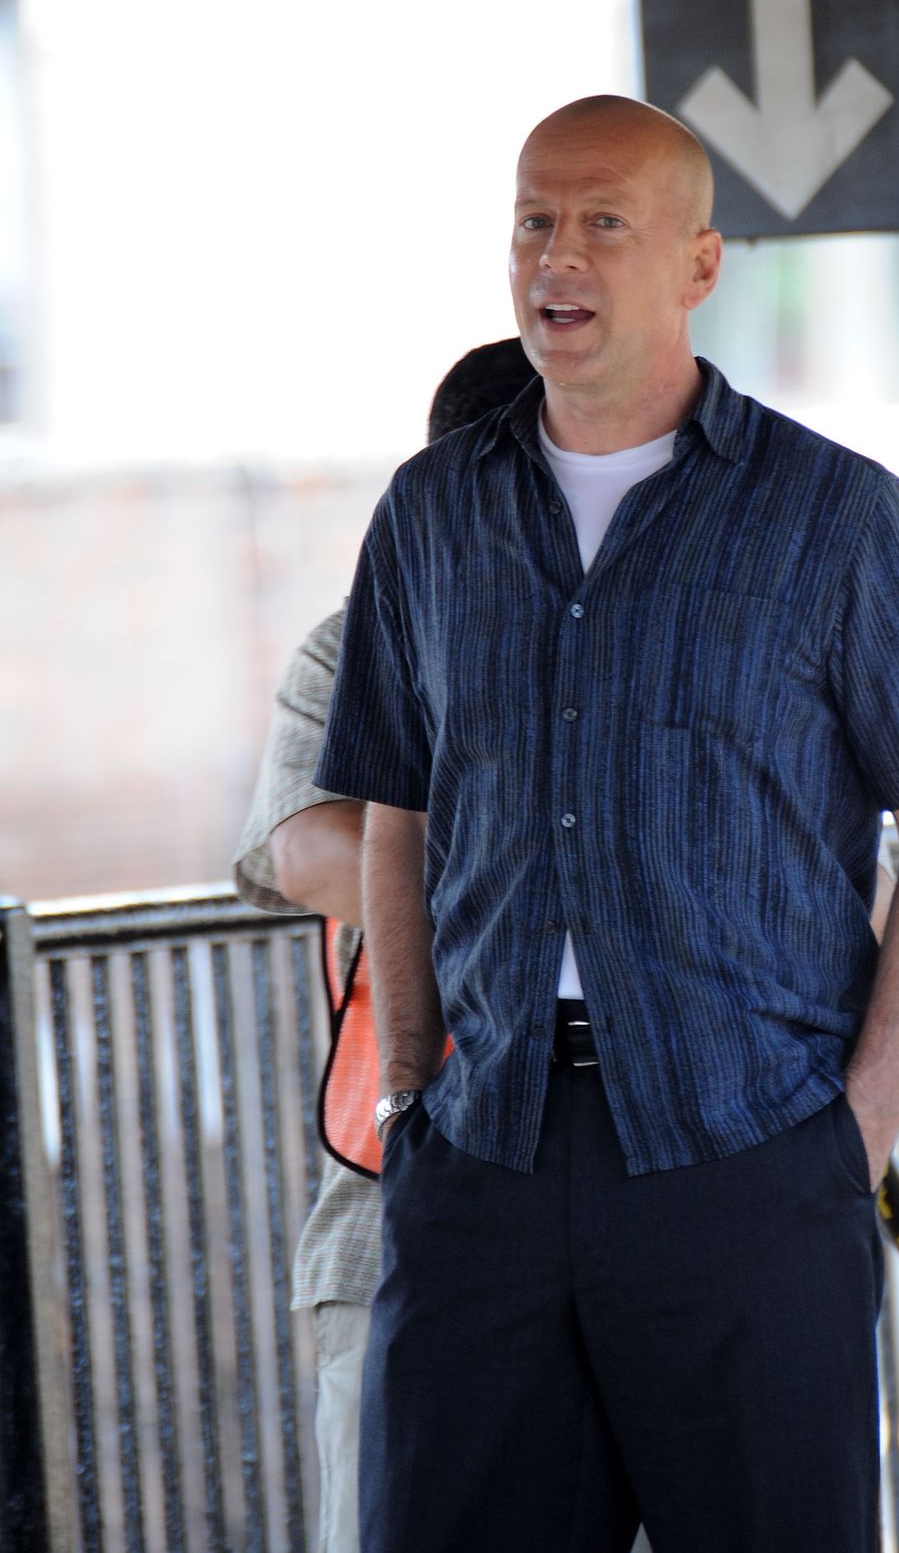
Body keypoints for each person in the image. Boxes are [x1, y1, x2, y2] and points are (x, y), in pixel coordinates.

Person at [315, 94, 899, 1553]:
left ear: (698, 264)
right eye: (534, 223)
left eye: (602, 225)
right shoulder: (431, 513)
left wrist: (857, 1132)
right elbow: (397, 806)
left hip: (746, 1160)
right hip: (484, 1166)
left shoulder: (836, 518)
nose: (557, 257)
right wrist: (416, 1091)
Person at [232, 336, 536, 1553]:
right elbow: (298, 847)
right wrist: (521, 834)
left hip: (662, 1197)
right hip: (399, 1203)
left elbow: (857, 876)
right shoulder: (358, 640)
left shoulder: (702, 621)